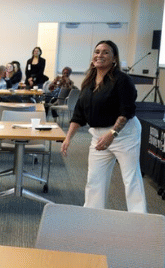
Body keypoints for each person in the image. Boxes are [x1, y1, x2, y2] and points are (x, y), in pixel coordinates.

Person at [61, 40, 146, 213]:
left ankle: (140, 219)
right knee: (94, 179)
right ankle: (92, 215)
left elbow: (126, 111)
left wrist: (111, 134)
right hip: (98, 136)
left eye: (105, 52)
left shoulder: (123, 81)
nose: (100, 55)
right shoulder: (89, 82)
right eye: (97, 51)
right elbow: (79, 113)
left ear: (114, 58)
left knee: (131, 178)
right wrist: (68, 138)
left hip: (124, 135)